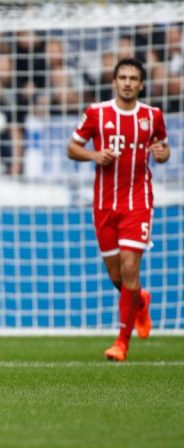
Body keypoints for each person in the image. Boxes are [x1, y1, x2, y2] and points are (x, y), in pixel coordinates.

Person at [67, 57, 169, 362]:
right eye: (122, 77)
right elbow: (72, 148)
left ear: (141, 84)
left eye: (133, 78)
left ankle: (121, 344)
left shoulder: (152, 116)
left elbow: (163, 149)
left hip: (138, 202)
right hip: (104, 204)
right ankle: (140, 301)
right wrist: (94, 155)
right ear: (114, 82)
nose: (127, 83)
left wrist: (162, 153)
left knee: (129, 267)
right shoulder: (96, 113)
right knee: (117, 276)